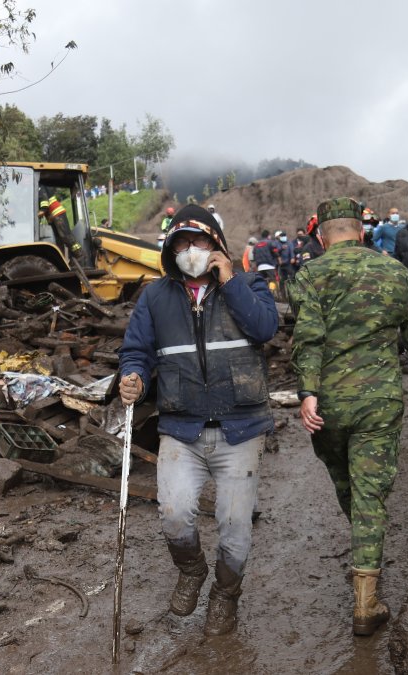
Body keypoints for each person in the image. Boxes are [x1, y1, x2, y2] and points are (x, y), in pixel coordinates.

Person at [118, 204, 278, 636]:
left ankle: (225, 594)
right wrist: (133, 377)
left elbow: (265, 328)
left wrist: (230, 281)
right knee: (173, 512)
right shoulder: (155, 298)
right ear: (170, 250)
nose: (191, 250)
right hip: (181, 428)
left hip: (240, 428)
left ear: (217, 244)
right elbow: (136, 351)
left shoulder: (249, 285)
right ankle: (191, 570)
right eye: (182, 243)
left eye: (200, 241)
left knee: (235, 524)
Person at [292, 197, 408, 636]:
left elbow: (307, 337)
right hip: (379, 403)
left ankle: (364, 569)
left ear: (322, 238)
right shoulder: (395, 272)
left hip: (329, 406)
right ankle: (366, 600)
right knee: (369, 495)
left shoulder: (309, 275)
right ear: (362, 232)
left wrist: (307, 392)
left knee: (349, 487)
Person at [38, 196, 83, 261]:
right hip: (51, 216)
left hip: (57, 213)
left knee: (65, 236)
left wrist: (36, 215)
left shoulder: (40, 191)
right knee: (58, 240)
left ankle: (79, 254)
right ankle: (63, 259)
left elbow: (44, 207)